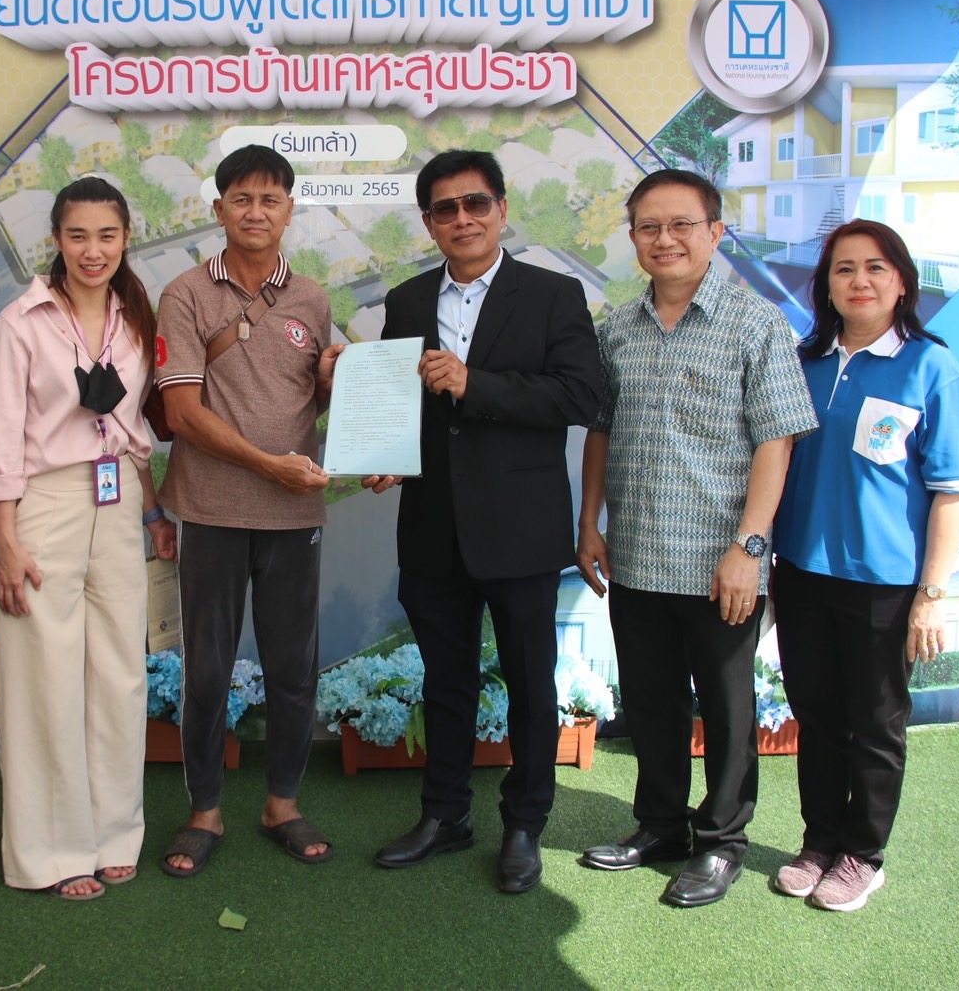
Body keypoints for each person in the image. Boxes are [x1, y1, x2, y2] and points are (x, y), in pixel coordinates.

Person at [576, 169, 817, 907]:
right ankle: (659, 827)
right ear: (633, 238)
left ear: (715, 232)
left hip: (721, 563)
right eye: (649, 227)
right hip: (636, 554)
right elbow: (600, 430)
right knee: (652, 702)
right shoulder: (617, 328)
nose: (665, 239)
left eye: (682, 224)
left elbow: (777, 439)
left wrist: (749, 548)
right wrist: (589, 522)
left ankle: (721, 842)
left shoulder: (755, 323)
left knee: (727, 707)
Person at [362, 150, 601, 894]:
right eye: (445, 209)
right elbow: (401, 401)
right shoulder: (405, 300)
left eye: (475, 204)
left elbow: (578, 397)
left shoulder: (555, 295)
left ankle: (525, 824)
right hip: (432, 526)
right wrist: (386, 452)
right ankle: (445, 815)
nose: (462, 219)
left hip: (520, 527)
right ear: (428, 222)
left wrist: (476, 384)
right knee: (446, 681)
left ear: (501, 209)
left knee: (530, 683)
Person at [770, 219, 959, 911]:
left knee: (877, 723)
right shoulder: (803, 363)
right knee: (817, 714)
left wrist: (932, 594)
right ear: (826, 287)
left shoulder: (931, 368)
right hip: (802, 572)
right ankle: (820, 841)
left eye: (875, 267)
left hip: (885, 585)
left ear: (903, 282)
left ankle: (863, 854)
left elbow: (950, 492)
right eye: (844, 269)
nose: (859, 281)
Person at [0, 177, 178, 901]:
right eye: (77, 236)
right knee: (44, 676)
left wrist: (153, 513)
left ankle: (115, 834)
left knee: (120, 673)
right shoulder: (21, 323)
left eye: (107, 235)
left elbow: (133, 430)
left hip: (118, 499)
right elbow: (0, 438)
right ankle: (53, 851)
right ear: (56, 240)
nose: (93, 251)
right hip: (43, 503)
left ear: (125, 238)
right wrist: (4, 537)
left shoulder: (136, 319)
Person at [152, 144, 343, 877]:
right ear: (219, 209)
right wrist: (268, 466)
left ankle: (281, 805)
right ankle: (204, 811)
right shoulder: (186, 293)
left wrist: (331, 384)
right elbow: (180, 413)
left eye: (270, 199)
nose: (255, 212)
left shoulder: (313, 298)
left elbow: (307, 400)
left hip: (294, 517)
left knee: (294, 668)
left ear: (290, 210)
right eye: (241, 198)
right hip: (211, 509)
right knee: (207, 669)